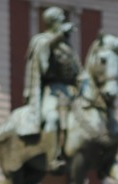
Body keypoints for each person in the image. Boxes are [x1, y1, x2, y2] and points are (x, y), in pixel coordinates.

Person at [22, 6, 80, 171]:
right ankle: (52, 157)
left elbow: (76, 68)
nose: (64, 22)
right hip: (51, 90)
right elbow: (43, 62)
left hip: (71, 91)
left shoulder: (66, 46)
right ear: (53, 22)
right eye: (61, 19)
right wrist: (59, 36)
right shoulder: (41, 40)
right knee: (53, 117)